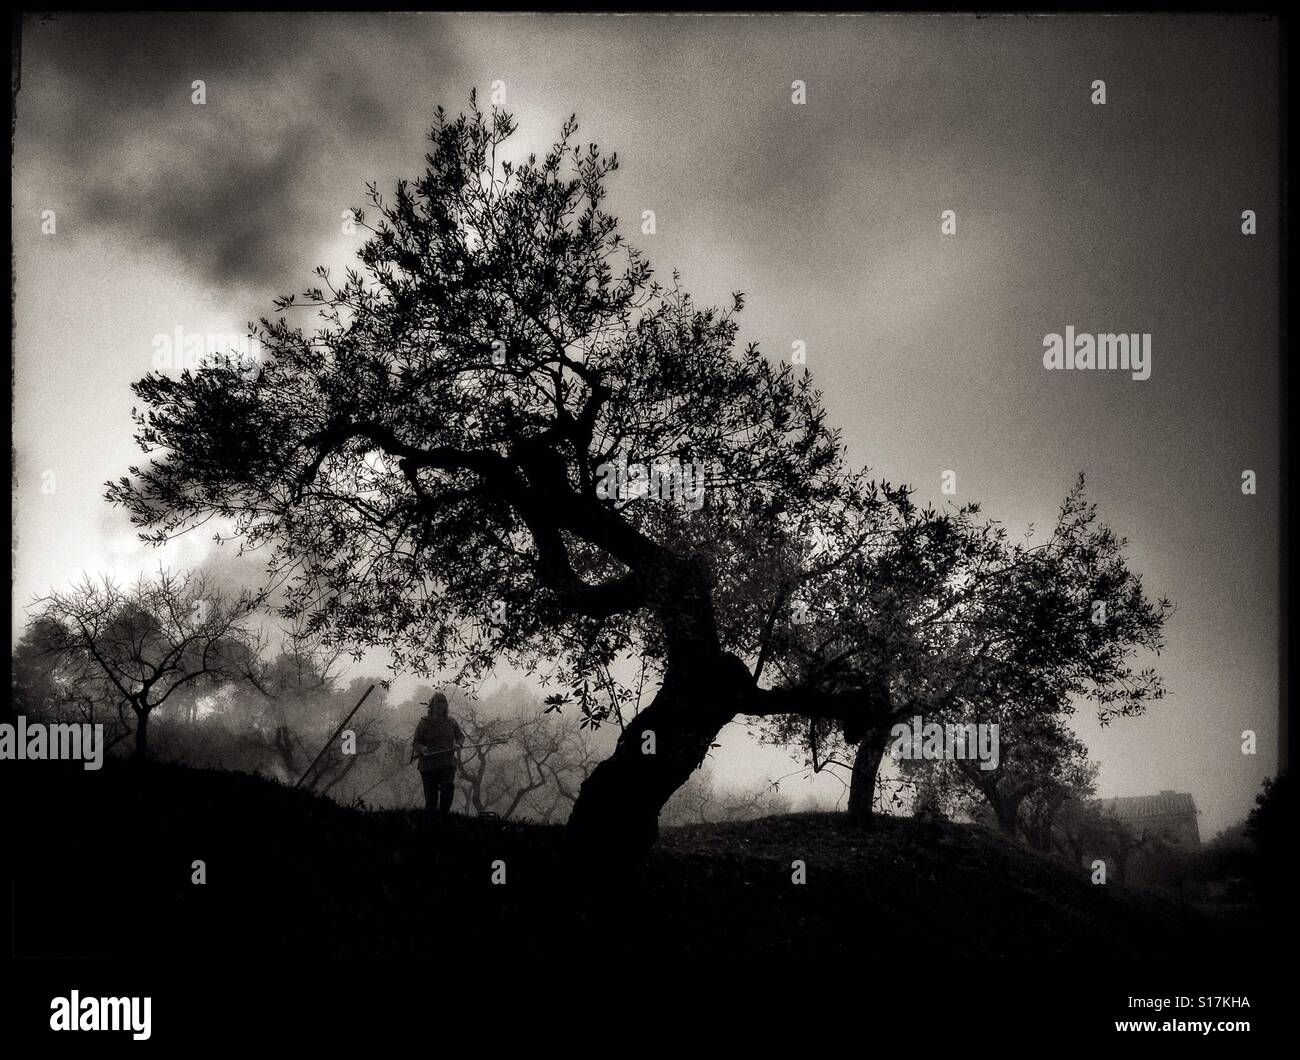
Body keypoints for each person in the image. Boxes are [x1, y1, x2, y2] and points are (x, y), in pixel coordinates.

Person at [412, 692, 464, 816]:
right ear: (432, 707)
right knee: (431, 797)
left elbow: (460, 736)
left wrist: (458, 744)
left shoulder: (451, 722)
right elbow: (415, 742)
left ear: (445, 706)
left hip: (447, 763)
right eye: (437, 705)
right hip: (428, 765)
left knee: (448, 789)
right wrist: (422, 749)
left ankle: (443, 817)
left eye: (443, 705)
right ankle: (432, 822)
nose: (440, 708)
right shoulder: (424, 723)